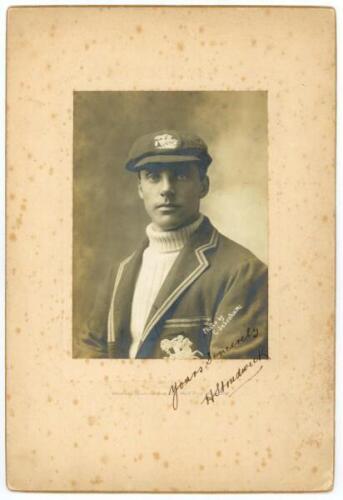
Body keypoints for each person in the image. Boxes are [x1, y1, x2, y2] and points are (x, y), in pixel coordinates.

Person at [81, 129, 268, 359]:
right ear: (140, 188)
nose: (166, 189)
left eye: (180, 176)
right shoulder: (119, 274)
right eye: (153, 177)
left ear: (203, 185)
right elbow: (91, 351)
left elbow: (232, 378)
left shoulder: (243, 271)